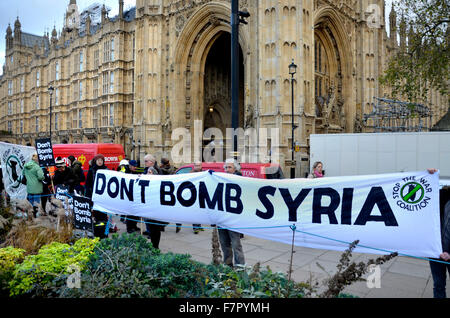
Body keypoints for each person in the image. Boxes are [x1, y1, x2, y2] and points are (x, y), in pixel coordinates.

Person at [217, 158, 245, 267]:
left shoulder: (239, 180)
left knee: (236, 244)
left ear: (235, 168)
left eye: (229, 167)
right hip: (222, 217)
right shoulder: (221, 179)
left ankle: (240, 266)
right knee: (224, 243)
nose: (227, 169)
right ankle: (228, 264)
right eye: (226, 167)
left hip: (233, 218)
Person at [427, 168, 450, 298]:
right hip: (436, 251)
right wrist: (427, 177)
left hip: (447, 251)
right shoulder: (442, 194)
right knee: (439, 285)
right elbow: (424, 193)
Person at [142, 154, 166, 249]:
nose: (144, 163)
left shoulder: (152, 170)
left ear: (151, 162)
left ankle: (155, 246)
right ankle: (154, 245)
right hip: (152, 201)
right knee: (152, 226)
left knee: (154, 226)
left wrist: (146, 176)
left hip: (153, 201)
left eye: (146, 161)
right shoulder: (152, 169)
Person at [22, 153, 44, 217]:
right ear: (37, 159)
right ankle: (34, 215)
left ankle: (29, 215)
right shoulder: (37, 167)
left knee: (30, 201)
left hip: (29, 187)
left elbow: (23, 174)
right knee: (36, 202)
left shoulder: (26, 166)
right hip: (37, 187)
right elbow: (41, 177)